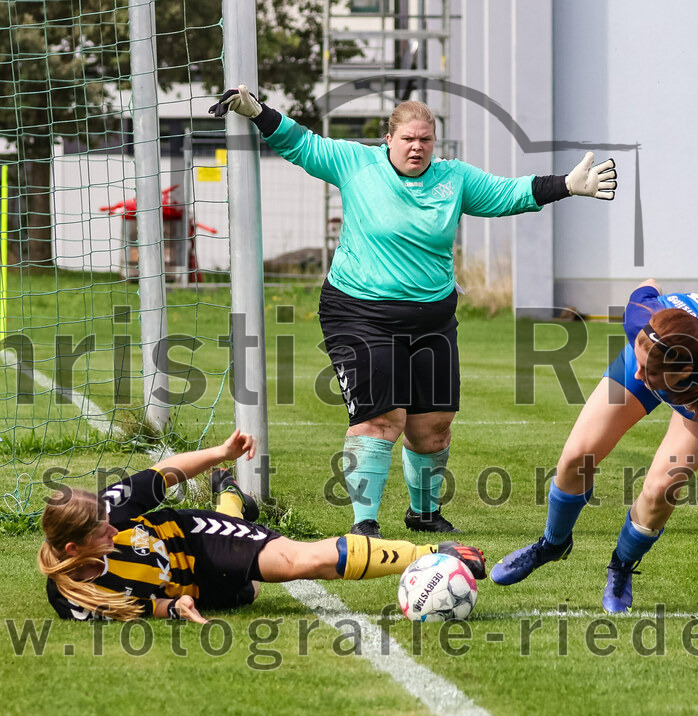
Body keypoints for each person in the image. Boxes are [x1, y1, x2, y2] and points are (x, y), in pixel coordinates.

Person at [211, 86, 617, 538]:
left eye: (425, 140)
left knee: (433, 428)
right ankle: (364, 523)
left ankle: (423, 514)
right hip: (359, 313)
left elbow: (508, 194)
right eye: (408, 139)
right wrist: (258, 111)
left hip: (433, 319)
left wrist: (566, 186)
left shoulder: (453, 179)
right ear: (389, 139)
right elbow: (301, 143)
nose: (417, 147)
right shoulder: (355, 164)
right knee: (381, 420)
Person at [490, 280, 698, 629]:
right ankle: (552, 544)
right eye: (638, 358)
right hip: (660, 351)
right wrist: (646, 360)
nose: (635, 375)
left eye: (646, 373)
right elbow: (648, 285)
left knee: (660, 489)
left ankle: (621, 565)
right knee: (578, 455)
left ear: (681, 377)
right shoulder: (642, 321)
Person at [39, 429, 487, 623]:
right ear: (75, 550)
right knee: (251, 593)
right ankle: (230, 499)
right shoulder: (76, 600)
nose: (113, 529)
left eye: (108, 522)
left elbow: (165, 473)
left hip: (192, 537)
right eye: (101, 533)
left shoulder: (110, 507)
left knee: (295, 560)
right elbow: (137, 609)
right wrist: (175, 609)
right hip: (191, 587)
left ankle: (433, 555)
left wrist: (220, 452)